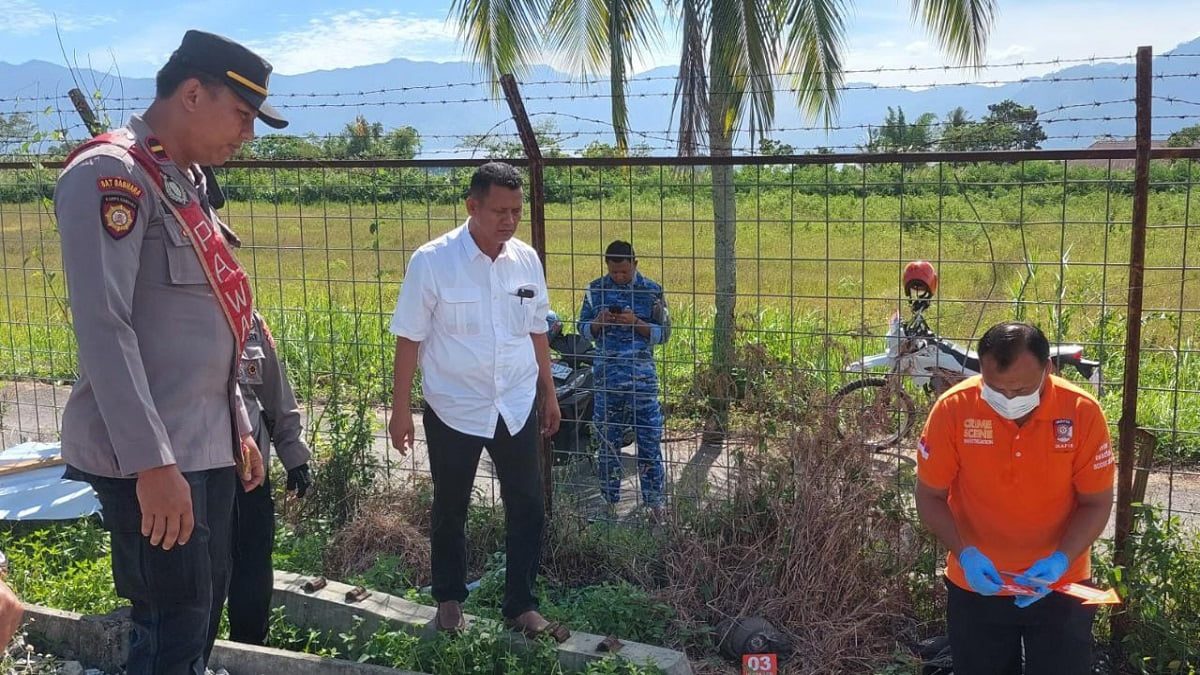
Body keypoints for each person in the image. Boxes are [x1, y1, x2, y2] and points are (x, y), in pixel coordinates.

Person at [53, 29, 281, 674]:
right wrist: (152, 465)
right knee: (169, 629)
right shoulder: (112, 175)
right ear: (192, 94)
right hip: (152, 458)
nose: (248, 134)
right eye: (242, 114)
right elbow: (105, 328)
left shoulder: (184, 182)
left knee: (200, 616)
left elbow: (204, 324)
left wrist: (237, 428)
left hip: (207, 447)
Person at [387, 162, 567, 641]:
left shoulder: (526, 260)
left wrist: (548, 392)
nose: (509, 221)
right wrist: (400, 410)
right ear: (472, 206)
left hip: (515, 404)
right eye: (499, 211)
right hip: (454, 407)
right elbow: (409, 337)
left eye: (516, 211)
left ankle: (521, 605)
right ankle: (449, 601)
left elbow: (537, 328)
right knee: (451, 507)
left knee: (527, 505)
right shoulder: (432, 261)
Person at [915, 322, 1115, 675]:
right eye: (995, 389)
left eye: (1021, 389)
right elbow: (929, 495)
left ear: (1048, 368)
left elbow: (1096, 502)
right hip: (977, 584)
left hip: (1061, 583)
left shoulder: (1081, 412)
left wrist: (1060, 560)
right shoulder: (953, 409)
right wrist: (965, 554)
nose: (1008, 399)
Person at [228, 311, 313, 645]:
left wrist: (293, 454)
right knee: (201, 567)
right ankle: (194, 653)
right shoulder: (167, 305)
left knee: (253, 559)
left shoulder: (247, 317)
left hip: (249, 469)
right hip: (190, 470)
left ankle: (250, 649)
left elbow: (275, 391)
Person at [577, 240, 670, 518]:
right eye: (614, 272)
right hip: (607, 383)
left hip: (642, 384)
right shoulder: (595, 290)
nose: (619, 277)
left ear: (635, 265)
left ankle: (655, 504)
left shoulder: (652, 291)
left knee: (649, 443)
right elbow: (583, 330)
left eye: (624, 272)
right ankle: (608, 502)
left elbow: (664, 334)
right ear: (607, 266)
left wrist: (636, 323)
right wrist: (599, 322)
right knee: (607, 446)